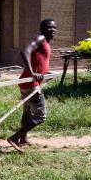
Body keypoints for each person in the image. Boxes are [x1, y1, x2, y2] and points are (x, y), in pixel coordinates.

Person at [7, 19, 57, 153]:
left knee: (27, 113)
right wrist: (32, 72)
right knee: (41, 116)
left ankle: (22, 139)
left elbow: (39, 61)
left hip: (26, 82)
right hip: (30, 83)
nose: (52, 30)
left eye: (54, 28)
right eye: (49, 27)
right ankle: (14, 138)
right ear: (42, 29)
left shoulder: (46, 42)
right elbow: (25, 52)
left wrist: (44, 72)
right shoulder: (40, 38)